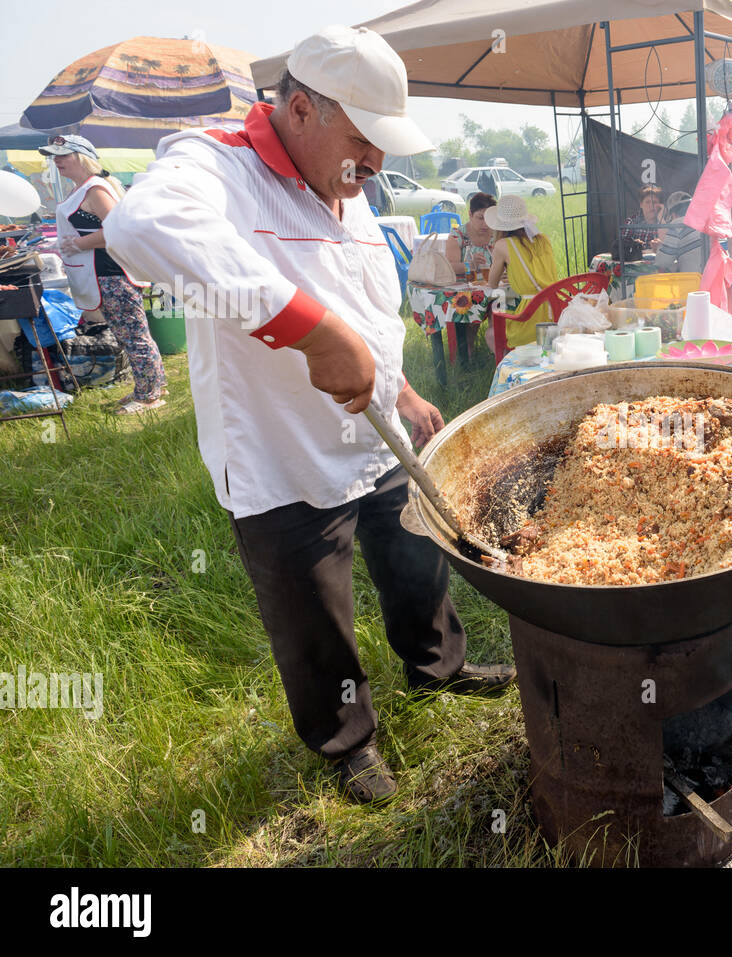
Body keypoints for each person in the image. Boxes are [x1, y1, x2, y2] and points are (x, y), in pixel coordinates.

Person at [104, 24, 514, 805]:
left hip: (373, 433)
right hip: (278, 447)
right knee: (312, 610)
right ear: (300, 110)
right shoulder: (216, 163)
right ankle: (347, 738)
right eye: (364, 138)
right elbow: (140, 230)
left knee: (414, 559)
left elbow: (364, 309)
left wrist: (400, 390)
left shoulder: (349, 185)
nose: (378, 163)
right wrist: (308, 329)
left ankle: (440, 670)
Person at [41, 134, 167, 414]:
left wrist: (79, 244)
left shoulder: (95, 189)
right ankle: (151, 385)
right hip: (104, 275)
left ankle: (149, 396)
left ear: (82, 157)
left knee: (134, 336)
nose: (57, 161)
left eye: (63, 155)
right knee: (131, 335)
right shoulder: (84, 188)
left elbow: (116, 229)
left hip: (112, 274)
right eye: (55, 156)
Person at [485, 193, 558, 348]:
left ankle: (509, 366)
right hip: (557, 309)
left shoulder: (502, 245)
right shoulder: (542, 239)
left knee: (491, 333)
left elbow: (491, 284)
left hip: (531, 315)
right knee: (505, 309)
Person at [446, 191, 496, 279]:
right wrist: (471, 265)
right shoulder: (457, 236)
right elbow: (450, 268)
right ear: (470, 214)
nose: (485, 224)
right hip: (466, 287)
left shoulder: (496, 233)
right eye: (480, 218)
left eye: (489, 218)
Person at [656, 190, 706, 274]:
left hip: (695, 281)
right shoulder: (703, 220)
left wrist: (659, 247)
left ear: (673, 214)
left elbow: (663, 262)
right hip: (713, 278)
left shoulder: (677, 225)